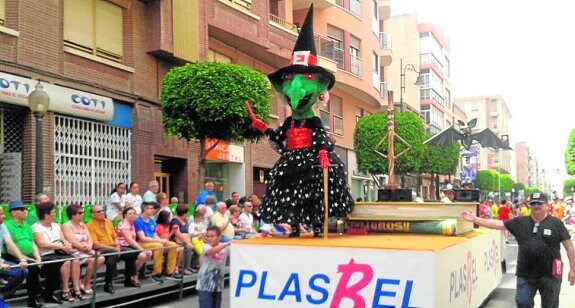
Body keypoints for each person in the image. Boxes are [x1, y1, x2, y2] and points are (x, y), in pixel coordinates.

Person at [461, 192, 575, 307]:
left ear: (547, 206)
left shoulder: (557, 224)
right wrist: (475, 220)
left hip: (550, 276)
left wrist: (573, 269)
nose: (536, 206)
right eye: (533, 203)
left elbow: (569, 246)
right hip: (525, 275)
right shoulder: (520, 222)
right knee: (522, 302)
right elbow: (498, 224)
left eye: (539, 203)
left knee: (550, 305)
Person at [32, 202, 81, 302]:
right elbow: (42, 244)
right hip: (46, 254)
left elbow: (63, 239)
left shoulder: (55, 225)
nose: (55, 214)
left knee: (75, 260)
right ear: (46, 215)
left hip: (58, 252)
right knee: (66, 262)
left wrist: (67, 246)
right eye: (53, 212)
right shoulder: (36, 227)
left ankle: (76, 289)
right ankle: (65, 291)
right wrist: (59, 246)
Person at [86, 204, 140, 293]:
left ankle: (128, 279)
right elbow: (95, 244)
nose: (102, 212)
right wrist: (114, 249)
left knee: (131, 252)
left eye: (102, 210)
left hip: (113, 247)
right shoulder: (90, 225)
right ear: (92, 214)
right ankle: (108, 283)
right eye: (98, 211)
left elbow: (115, 237)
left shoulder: (108, 222)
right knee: (112, 254)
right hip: (100, 248)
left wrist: (117, 245)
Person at [4, 201, 45, 307]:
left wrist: (38, 257)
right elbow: (10, 247)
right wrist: (24, 258)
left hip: (29, 255)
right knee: (32, 268)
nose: (25, 211)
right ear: (13, 212)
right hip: (13, 256)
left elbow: (32, 242)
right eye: (22, 209)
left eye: (26, 209)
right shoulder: (7, 226)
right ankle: (33, 298)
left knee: (49, 263)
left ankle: (46, 292)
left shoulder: (26, 225)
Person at [61, 204, 105, 296]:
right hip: (75, 251)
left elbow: (90, 238)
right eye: (80, 213)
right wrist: (86, 249)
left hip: (86, 251)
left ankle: (86, 281)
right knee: (94, 258)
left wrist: (89, 246)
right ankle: (81, 285)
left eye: (83, 213)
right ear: (73, 215)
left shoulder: (83, 225)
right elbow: (72, 242)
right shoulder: (66, 225)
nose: (82, 215)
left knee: (101, 258)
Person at [134, 202, 180, 283]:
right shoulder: (138, 221)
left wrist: (162, 240)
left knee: (173, 245)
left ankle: (170, 272)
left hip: (152, 241)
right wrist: (160, 241)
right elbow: (142, 238)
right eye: (151, 208)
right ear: (145, 209)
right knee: (158, 246)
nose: (153, 210)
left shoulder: (152, 220)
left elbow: (154, 234)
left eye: (153, 208)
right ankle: (156, 273)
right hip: (142, 243)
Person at [196, 226, 231, 308]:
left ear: (219, 237)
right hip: (205, 284)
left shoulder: (225, 247)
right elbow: (210, 252)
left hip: (217, 284)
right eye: (207, 236)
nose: (209, 239)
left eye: (212, 236)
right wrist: (227, 243)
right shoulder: (206, 246)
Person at [116, 207, 151, 287]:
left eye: (134, 213)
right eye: (130, 213)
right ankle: (134, 276)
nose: (132, 215)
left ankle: (134, 273)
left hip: (131, 246)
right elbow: (130, 240)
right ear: (125, 215)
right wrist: (142, 249)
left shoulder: (132, 223)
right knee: (142, 254)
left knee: (148, 253)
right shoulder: (124, 225)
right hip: (123, 246)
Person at [0, 205, 28, 301]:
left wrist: (22, 259)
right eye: (1, 214)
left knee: (22, 271)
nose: (4, 216)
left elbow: (10, 243)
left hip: (1, 261)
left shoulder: (2, 226)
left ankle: (4, 295)